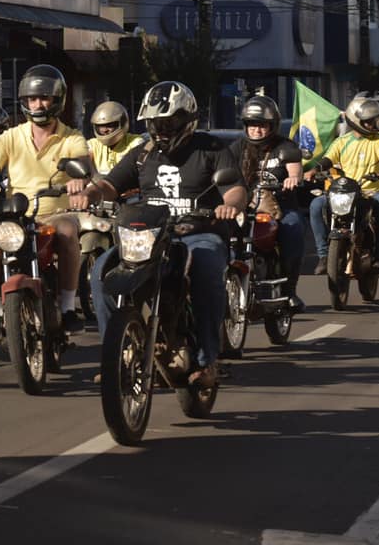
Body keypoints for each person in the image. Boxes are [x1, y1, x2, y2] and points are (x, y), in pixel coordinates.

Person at [71, 81, 246, 385]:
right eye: (155, 123)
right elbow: (110, 185)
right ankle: (120, 352)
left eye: (168, 122)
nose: (161, 130)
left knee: (205, 273)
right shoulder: (142, 154)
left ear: (187, 119)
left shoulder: (212, 149)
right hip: (148, 237)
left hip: (200, 235)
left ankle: (207, 362)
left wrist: (227, 206)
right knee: (101, 273)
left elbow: (235, 191)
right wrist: (90, 193)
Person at [0, 64, 89, 344]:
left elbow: (84, 164)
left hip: (55, 212)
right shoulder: (10, 137)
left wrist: (79, 182)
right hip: (15, 216)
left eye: (44, 98)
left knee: (68, 232)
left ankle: (67, 308)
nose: (38, 104)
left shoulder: (72, 137)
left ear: (57, 100)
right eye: (32, 99)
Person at [227, 95, 306, 313]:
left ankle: (290, 290)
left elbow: (295, 170)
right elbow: (222, 172)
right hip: (245, 208)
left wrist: (292, 179)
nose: (256, 130)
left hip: (280, 207)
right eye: (252, 125)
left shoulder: (285, 146)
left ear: (272, 126)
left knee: (293, 230)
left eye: (262, 125)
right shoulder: (237, 148)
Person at [306, 98, 379, 275]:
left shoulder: (378, 140)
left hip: (369, 191)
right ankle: (323, 256)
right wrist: (313, 170)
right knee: (316, 205)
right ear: (354, 120)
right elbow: (328, 159)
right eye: (368, 121)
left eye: (373, 120)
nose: (372, 125)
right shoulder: (341, 142)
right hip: (341, 191)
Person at [86, 101, 143, 175]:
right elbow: (83, 157)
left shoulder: (135, 142)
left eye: (110, 125)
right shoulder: (93, 144)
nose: (104, 130)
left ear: (122, 123)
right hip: (99, 185)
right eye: (100, 126)